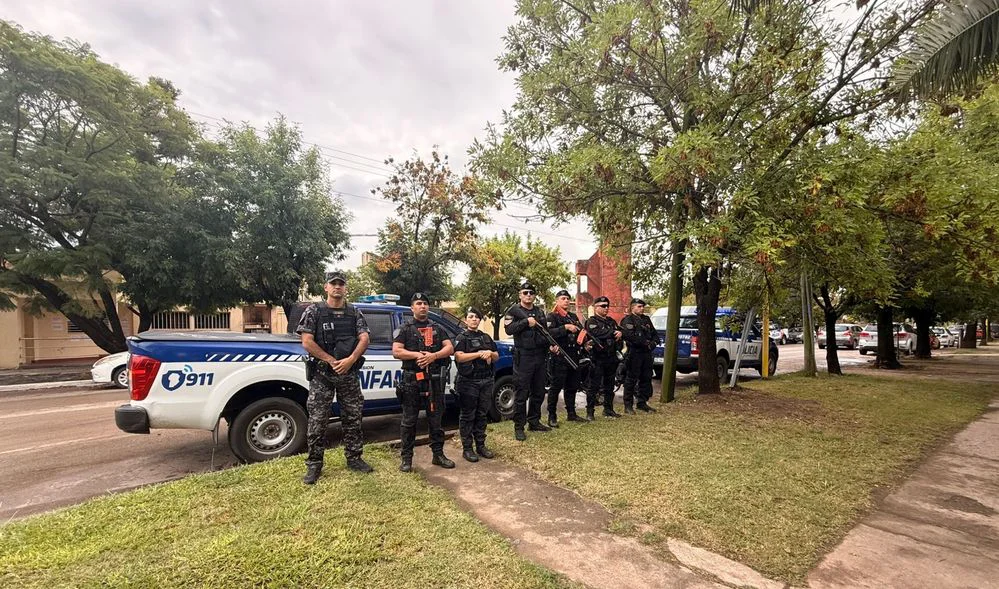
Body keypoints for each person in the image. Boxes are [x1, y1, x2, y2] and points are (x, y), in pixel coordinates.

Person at [296, 271, 372, 485]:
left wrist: (351, 360)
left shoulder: (354, 312)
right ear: (326, 287)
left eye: (341, 284)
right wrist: (331, 360)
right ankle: (314, 464)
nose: (337, 287)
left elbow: (364, 338)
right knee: (318, 421)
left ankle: (354, 458)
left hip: (349, 374)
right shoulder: (314, 311)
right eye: (333, 283)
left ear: (345, 288)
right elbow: (307, 341)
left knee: (353, 417)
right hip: (323, 375)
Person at [393, 292, 455, 472]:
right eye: (419, 303)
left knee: (436, 419)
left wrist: (433, 356)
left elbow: (449, 348)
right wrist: (417, 355)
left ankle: (438, 455)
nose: (422, 306)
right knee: (409, 421)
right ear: (412, 307)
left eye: (425, 304)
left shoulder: (437, 328)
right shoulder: (405, 328)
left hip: (434, 381)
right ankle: (406, 459)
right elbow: (396, 351)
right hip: (412, 381)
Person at [503, 280, 550, 441]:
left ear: (534, 296)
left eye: (531, 293)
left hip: (540, 356)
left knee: (539, 391)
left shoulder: (539, 312)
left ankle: (534, 421)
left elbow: (545, 331)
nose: (528, 295)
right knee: (522, 393)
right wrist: (525, 322)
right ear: (520, 295)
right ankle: (519, 427)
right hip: (523, 357)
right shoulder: (513, 311)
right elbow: (509, 329)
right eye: (525, 293)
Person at [453, 307, 499, 462]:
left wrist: (490, 353)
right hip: (468, 382)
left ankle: (481, 445)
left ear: (480, 320)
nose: (474, 319)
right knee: (467, 415)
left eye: (476, 317)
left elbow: (496, 355)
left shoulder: (486, 337)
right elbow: (459, 357)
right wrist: (479, 354)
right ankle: (467, 448)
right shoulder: (462, 338)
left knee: (482, 414)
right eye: (471, 317)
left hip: (486, 380)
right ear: (466, 320)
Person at [545, 289, 587, 427]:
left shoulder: (573, 316)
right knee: (556, 387)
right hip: (559, 356)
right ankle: (552, 416)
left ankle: (571, 413)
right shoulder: (552, 316)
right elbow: (548, 333)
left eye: (568, 298)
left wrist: (584, 341)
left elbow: (581, 331)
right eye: (563, 298)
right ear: (557, 301)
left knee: (572, 386)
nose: (566, 301)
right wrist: (565, 327)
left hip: (573, 355)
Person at [585, 296, 623, 419]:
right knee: (594, 386)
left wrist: (619, 333)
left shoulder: (611, 321)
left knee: (609, 385)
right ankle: (590, 412)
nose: (606, 308)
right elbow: (597, 333)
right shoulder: (592, 321)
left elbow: (619, 332)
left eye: (607, 306)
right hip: (597, 358)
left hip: (611, 357)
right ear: (596, 307)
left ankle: (608, 409)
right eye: (603, 306)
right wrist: (612, 333)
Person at [620, 298, 660, 414]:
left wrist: (653, 343)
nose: (642, 309)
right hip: (634, 353)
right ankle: (628, 405)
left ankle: (642, 402)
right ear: (632, 307)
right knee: (631, 379)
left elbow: (654, 334)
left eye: (643, 307)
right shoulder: (628, 320)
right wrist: (645, 343)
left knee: (646, 378)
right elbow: (629, 336)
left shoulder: (646, 319)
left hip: (646, 353)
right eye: (639, 306)